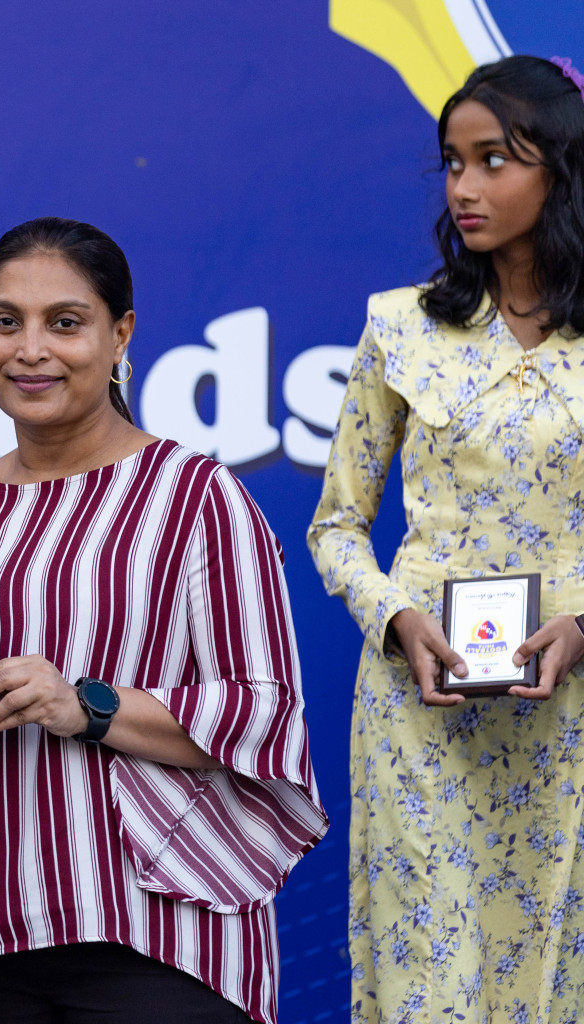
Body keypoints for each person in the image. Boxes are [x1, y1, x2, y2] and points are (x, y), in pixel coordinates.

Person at [0, 217, 327, 1024]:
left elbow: (261, 716)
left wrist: (85, 705)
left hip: (159, 937)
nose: (31, 349)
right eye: (7, 323)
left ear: (120, 336)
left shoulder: (197, 497)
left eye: (65, 323)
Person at [308, 55, 584, 1024]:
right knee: (430, 979)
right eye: (452, 163)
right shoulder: (400, 326)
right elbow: (337, 525)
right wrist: (394, 618)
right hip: (420, 711)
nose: (465, 187)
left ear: (561, 168)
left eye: (494, 160)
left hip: (572, 715)